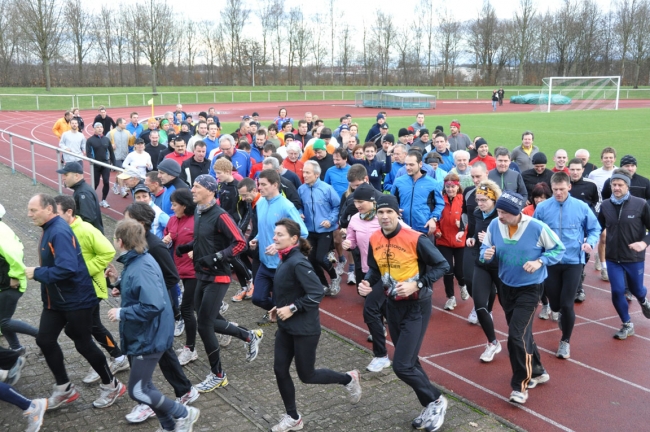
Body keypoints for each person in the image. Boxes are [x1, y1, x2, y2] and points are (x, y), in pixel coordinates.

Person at [25, 193, 125, 410]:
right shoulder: (49, 228)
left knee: (83, 342)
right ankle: (64, 389)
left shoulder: (59, 231)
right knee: (44, 339)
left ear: (48, 209)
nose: (28, 214)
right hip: (56, 300)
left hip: (77, 299)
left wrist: (37, 272)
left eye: (33, 210)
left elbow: (67, 268)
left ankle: (112, 384)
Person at [361, 195, 450, 431]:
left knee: (401, 366)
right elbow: (374, 269)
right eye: (381, 212)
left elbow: (443, 265)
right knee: (411, 361)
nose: (384, 216)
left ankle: (437, 400)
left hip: (416, 307)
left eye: (389, 212)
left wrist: (418, 284)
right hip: (392, 307)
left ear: (397, 213)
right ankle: (430, 404)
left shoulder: (415, 238)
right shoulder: (375, 238)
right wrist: (367, 282)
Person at [106, 219, 200, 432]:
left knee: (138, 391)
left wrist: (122, 312)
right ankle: (169, 426)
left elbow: (152, 305)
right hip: (147, 333)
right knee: (145, 387)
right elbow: (141, 288)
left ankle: (184, 414)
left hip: (148, 336)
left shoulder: (141, 266)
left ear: (120, 241)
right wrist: (117, 281)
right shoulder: (138, 260)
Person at [268, 218, 361, 432]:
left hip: (304, 329)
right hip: (286, 327)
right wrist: (279, 307)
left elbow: (317, 292)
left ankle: (348, 378)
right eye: (275, 234)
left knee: (307, 375)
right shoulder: (285, 258)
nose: (275, 237)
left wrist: (291, 308)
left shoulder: (298, 261)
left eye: (279, 234)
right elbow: (292, 289)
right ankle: (293, 417)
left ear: (293, 239)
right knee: (279, 369)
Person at [175, 175, 264, 392]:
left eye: (196, 186)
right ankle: (248, 335)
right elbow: (203, 238)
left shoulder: (221, 215)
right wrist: (187, 247)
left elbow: (240, 243)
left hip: (219, 276)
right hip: (201, 273)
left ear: (209, 190)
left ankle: (218, 375)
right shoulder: (198, 210)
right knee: (206, 319)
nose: (192, 189)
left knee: (205, 325)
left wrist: (216, 257)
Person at [480, 191, 565, 404]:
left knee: (515, 335)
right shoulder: (494, 225)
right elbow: (484, 248)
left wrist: (540, 262)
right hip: (506, 286)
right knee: (522, 333)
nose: (500, 215)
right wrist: (485, 254)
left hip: (530, 288)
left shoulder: (537, 227)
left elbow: (558, 249)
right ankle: (538, 370)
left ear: (517, 212)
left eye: (505, 212)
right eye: (498, 211)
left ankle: (520, 386)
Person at [53, 195, 130, 384]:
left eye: (56, 212)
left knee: (88, 327)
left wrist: (85, 271)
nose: (52, 216)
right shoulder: (60, 230)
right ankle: (114, 358)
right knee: (88, 327)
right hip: (76, 290)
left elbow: (108, 252)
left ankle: (114, 359)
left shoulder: (86, 229)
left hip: (91, 288)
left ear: (69, 212)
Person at [534, 172, 600, 359]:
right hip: (551, 261)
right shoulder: (543, 208)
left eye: (562, 189)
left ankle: (565, 341)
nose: (558, 193)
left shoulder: (581, 207)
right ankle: (558, 311)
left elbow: (595, 228)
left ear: (569, 187)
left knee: (567, 303)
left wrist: (590, 243)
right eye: (555, 190)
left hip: (573, 261)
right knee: (554, 304)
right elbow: (535, 231)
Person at [342, 184, 396, 372]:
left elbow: (407, 235)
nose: (357, 205)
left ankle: (381, 355)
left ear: (372, 201)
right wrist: (347, 243)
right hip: (365, 269)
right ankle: (401, 342)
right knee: (384, 310)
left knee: (370, 310)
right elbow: (351, 241)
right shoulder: (355, 220)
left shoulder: (385, 218)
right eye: (355, 201)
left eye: (361, 201)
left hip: (386, 272)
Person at [597, 169, 650, 340]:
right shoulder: (605, 205)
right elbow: (597, 227)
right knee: (618, 290)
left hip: (634, 258)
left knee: (637, 289)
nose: (616, 188)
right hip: (613, 258)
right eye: (614, 184)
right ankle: (627, 324)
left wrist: (643, 243)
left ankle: (643, 300)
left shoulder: (641, 204)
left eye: (620, 185)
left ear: (627, 186)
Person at [250, 170, 308, 325]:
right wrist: (256, 238)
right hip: (264, 262)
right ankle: (278, 312)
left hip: (281, 266)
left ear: (275, 185)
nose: (259, 188)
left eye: (263, 184)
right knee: (257, 298)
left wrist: (279, 247)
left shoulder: (286, 206)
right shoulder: (260, 202)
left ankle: (286, 324)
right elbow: (264, 227)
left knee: (280, 300)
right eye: (258, 184)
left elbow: (303, 232)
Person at [465, 181, 503, 362]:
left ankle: (523, 342)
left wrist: (491, 240)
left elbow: (512, 240)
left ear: (494, 199)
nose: (480, 203)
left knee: (509, 307)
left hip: (502, 265)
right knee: (480, 305)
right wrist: (473, 239)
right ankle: (492, 342)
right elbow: (474, 231)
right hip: (482, 263)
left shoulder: (502, 215)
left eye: (484, 200)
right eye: (478, 199)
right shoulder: (476, 213)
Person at [163, 189, 199, 366]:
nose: (172, 207)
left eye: (175, 204)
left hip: (195, 271)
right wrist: (167, 239)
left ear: (184, 205)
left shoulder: (196, 221)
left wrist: (196, 251)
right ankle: (240, 333)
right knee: (201, 310)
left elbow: (206, 243)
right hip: (180, 270)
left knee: (186, 309)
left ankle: (190, 349)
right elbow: (168, 236)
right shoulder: (172, 219)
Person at [298, 161, 342, 296]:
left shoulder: (327, 189)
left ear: (316, 174)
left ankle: (334, 278)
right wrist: (300, 212)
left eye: (307, 172)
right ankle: (323, 284)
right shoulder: (301, 189)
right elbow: (299, 205)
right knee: (310, 259)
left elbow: (337, 206)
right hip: (309, 230)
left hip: (325, 230)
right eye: (303, 172)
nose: (304, 175)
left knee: (320, 258)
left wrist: (330, 220)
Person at [0, 203, 38, 354]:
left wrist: (15, 276)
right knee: (3, 320)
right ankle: (16, 348)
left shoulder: (1, 232)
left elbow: (15, 252)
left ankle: (42, 336)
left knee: (4, 321)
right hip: (5, 283)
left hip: (10, 285)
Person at [434, 173, 468, 311]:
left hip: (460, 241)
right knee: (447, 269)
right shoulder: (440, 200)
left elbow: (470, 219)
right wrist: (436, 230)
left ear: (457, 186)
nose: (450, 189)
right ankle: (450, 298)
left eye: (452, 186)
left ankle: (462, 284)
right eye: (447, 187)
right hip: (443, 241)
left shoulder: (464, 200)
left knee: (460, 271)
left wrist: (463, 225)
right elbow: (434, 217)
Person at [391, 151, 444, 236]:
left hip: (424, 229)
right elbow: (392, 201)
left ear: (420, 164)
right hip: (402, 229)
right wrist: (395, 211)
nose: (408, 167)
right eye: (406, 164)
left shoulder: (433, 183)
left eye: (411, 165)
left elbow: (440, 204)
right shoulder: (398, 182)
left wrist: (433, 219)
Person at [588, 146, 617, 281]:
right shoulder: (595, 174)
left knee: (614, 238)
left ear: (614, 159)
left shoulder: (618, 172)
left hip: (617, 209)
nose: (608, 160)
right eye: (606, 157)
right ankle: (605, 268)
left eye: (611, 158)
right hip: (601, 209)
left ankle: (601, 255)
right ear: (601, 159)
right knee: (604, 237)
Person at [56, 161, 104, 233]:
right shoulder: (81, 190)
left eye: (66, 175)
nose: (63, 178)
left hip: (89, 238)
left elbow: (88, 219)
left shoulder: (83, 193)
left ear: (76, 176)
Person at [86, 122, 116, 208]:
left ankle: (103, 200)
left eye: (101, 127)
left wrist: (114, 163)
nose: (99, 129)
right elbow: (88, 154)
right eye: (97, 127)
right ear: (94, 129)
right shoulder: (90, 140)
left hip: (105, 164)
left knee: (106, 182)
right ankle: (90, 198)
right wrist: (94, 162)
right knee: (95, 183)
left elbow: (111, 152)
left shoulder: (106, 139)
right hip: (95, 165)